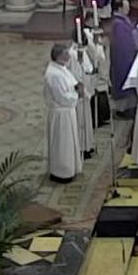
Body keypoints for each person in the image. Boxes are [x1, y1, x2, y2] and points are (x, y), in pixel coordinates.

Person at [109, 0, 138, 159]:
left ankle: (127, 107)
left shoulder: (121, 21)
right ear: (119, 8)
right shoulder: (118, 25)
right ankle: (124, 109)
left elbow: (132, 32)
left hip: (125, 56)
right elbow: (127, 41)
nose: (128, 9)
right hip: (123, 58)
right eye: (126, 7)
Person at [44, 42, 83, 183]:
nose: (68, 57)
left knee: (68, 144)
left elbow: (71, 82)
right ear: (57, 56)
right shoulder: (54, 74)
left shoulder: (61, 68)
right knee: (62, 145)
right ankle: (61, 172)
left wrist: (77, 86)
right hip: (61, 114)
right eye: (65, 54)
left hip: (67, 113)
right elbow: (62, 97)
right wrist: (78, 95)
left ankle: (69, 169)